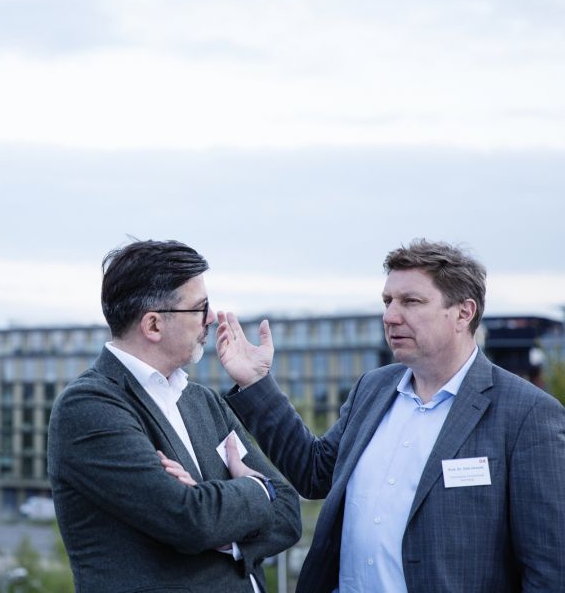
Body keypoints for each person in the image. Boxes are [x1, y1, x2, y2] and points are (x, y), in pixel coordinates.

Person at [218, 239, 565, 593]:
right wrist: (255, 381)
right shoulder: (373, 388)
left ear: (463, 313)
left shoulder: (527, 415)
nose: (390, 316)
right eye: (388, 301)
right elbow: (315, 472)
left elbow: (549, 568)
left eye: (411, 301)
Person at [47, 239, 302, 593]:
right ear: (153, 325)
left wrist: (220, 524)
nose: (211, 318)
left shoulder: (203, 402)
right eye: (200, 308)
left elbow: (289, 513)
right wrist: (259, 488)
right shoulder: (89, 407)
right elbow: (189, 519)